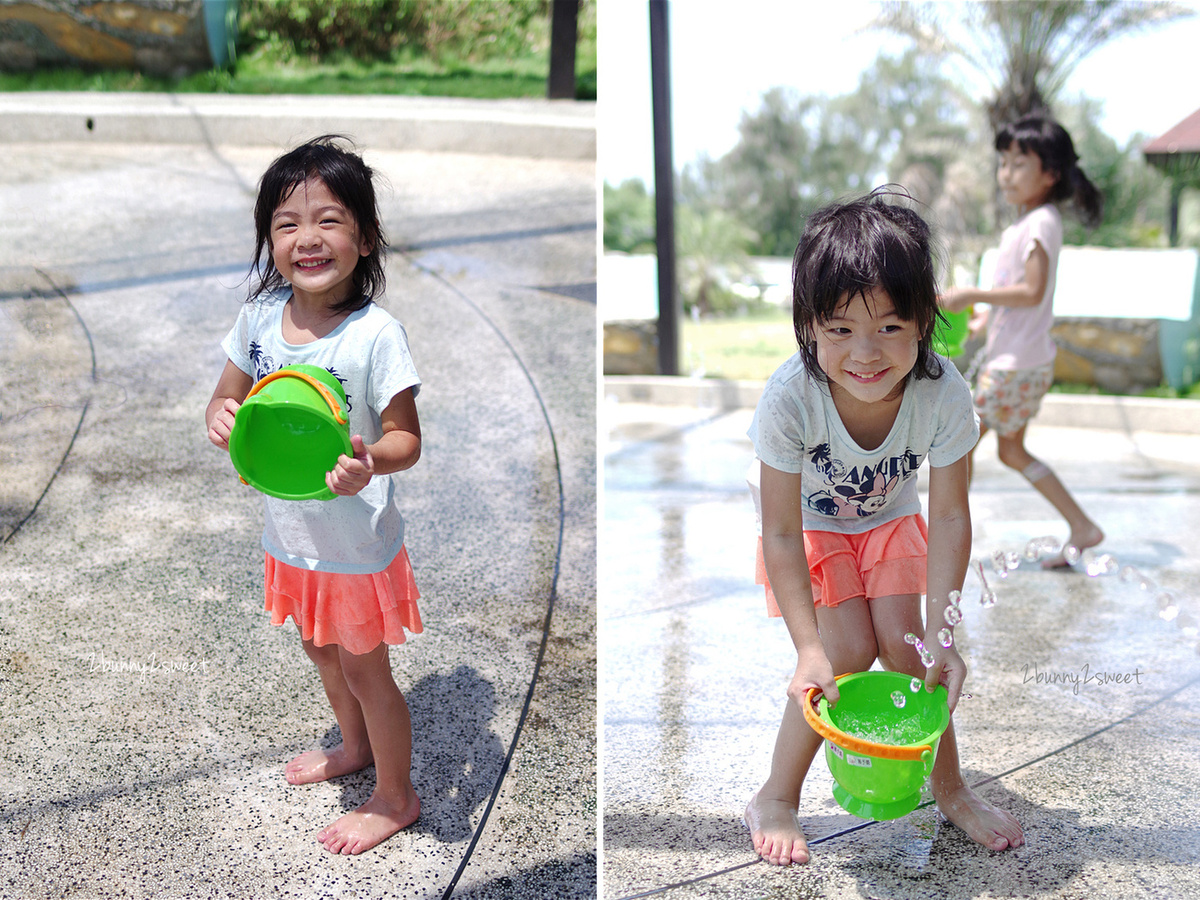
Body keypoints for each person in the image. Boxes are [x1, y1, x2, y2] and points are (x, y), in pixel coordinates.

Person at [744, 190, 1024, 866]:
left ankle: (949, 785)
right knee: (839, 658)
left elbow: (951, 515)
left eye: (889, 328)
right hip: (810, 525)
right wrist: (805, 646)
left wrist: (943, 633)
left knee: (914, 658)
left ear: (925, 320)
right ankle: (775, 797)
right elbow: (780, 533)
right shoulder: (790, 399)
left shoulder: (943, 392)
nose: (865, 354)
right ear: (807, 326)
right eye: (840, 330)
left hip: (892, 520)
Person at [206, 135, 423, 855]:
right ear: (270, 240)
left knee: (366, 667)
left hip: (353, 546)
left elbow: (405, 439)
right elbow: (223, 401)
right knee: (322, 653)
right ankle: (353, 747)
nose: (308, 238)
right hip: (292, 536)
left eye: (329, 220)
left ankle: (396, 796)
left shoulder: (375, 336)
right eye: (287, 223)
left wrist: (369, 459)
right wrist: (221, 420)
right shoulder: (258, 320)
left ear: (364, 238)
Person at [941, 114, 1104, 567]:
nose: (1006, 173)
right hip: (1019, 357)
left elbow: (1033, 291)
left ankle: (950, 541)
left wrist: (972, 294)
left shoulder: (1041, 223)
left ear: (1050, 174)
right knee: (1010, 451)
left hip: (1017, 363)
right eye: (1004, 162)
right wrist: (985, 320)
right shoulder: (1026, 224)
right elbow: (1021, 292)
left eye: (1019, 164)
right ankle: (1083, 527)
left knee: (962, 441)